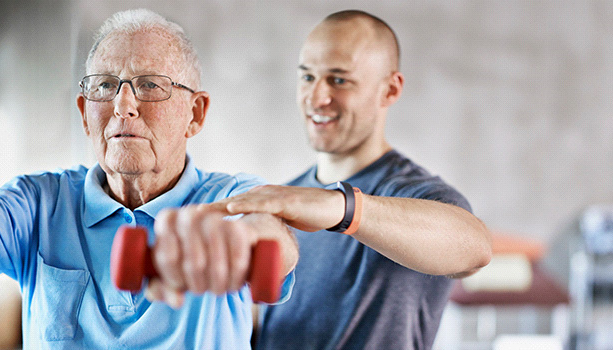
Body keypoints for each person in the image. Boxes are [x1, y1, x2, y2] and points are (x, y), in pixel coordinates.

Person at [0, 9, 298, 349]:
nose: (123, 105)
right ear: (85, 114)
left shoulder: (229, 196)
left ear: (195, 113)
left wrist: (238, 246)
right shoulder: (39, 202)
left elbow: (271, 236)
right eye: (104, 87)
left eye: (150, 84)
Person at [211, 10, 492, 350]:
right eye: (308, 77)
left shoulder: (414, 194)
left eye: (339, 80)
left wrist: (342, 208)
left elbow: (475, 247)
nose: (316, 98)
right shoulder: (285, 200)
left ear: (389, 90)